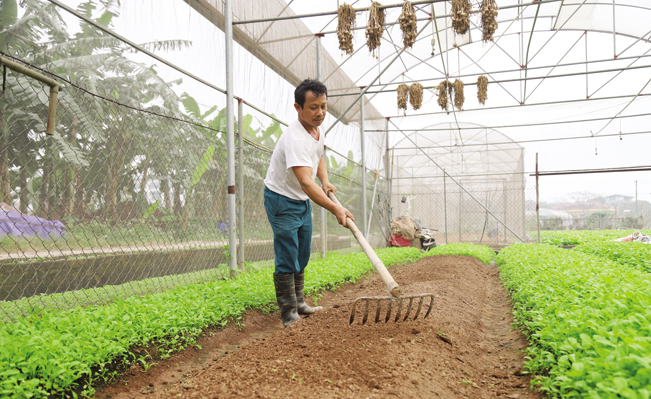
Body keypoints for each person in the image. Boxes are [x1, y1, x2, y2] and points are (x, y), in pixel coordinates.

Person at [263, 78, 355, 328]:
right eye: (313, 107)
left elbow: (319, 155)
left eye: (323, 106)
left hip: (301, 201)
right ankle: (288, 313)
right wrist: (335, 207)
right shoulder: (295, 138)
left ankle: (299, 302)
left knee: (302, 254)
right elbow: (305, 181)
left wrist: (325, 180)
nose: (320, 113)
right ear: (298, 108)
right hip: (282, 200)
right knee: (287, 255)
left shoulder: (317, 128)